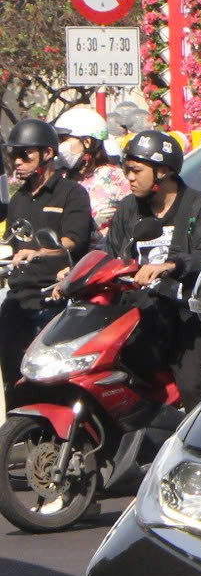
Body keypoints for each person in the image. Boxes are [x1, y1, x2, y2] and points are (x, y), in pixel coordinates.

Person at [102, 130, 201, 403]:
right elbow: (109, 255)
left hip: (187, 317)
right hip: (138, 316)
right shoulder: (128, 209)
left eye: (136, 171)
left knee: (195, 388)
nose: (129, 178)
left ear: (163, 171)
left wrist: (171, 265)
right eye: (127, 170)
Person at [3, 118, 96, 396]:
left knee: (51, 381)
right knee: (12, 376)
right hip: (19, 297)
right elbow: (12, 244)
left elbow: (73, 241)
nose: (17, 162)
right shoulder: (18, 199)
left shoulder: (72, 194)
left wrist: (39, 252)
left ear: (47, 153)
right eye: (14, 155)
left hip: (54, 298)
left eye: (25, 154)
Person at [54, 105, 129, 223]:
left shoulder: (115, 177)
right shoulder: (59, 176)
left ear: (87, 142)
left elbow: (130, 214)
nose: (60, 146)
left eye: (64, 140)